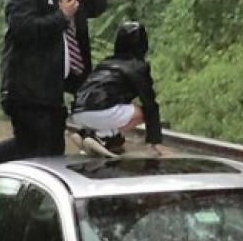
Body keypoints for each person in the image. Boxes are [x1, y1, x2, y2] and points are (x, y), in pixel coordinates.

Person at [0, 0, 107, 164]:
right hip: (25, 88)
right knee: (34, 149)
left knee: (53, 150)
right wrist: (61, 17)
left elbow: (97, 7)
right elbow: (23, 29)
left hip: (53, 88)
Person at [68, 22, 170, 158]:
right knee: (144, 112)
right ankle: (102, 137)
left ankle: (88, 135)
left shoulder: (105, 62)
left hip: (77, 113)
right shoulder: (138, 67)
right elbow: (150, 103)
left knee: (119, 108)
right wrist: (155, 141)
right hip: (101, 110)